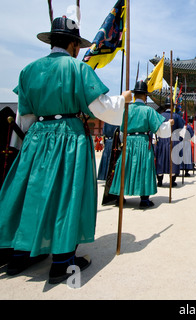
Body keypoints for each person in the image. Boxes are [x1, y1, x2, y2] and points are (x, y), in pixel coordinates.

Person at [0, 16, 132, 284]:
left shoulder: (28, 71)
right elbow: (102, 108)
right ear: (73, 45)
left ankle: (19, 254)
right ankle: (61, 261)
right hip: (69, 138)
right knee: (66, 195)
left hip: (36, 138)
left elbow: (23, 118)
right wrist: (124, 100)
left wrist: (21, 150)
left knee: (31, 194)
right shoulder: (77, 70)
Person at [109, 81, 173, 208]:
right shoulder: (148, 111)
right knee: (144, 167)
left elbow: (120, 130)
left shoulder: (125, 109)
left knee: (125, 166)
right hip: (143, 141)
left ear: (134, 95)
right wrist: (169, 124)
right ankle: (144, 199)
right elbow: (160, 129)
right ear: (145, 96)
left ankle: (119, 197)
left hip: (128, 141)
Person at [155, 97, 185, 187]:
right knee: (173, 161)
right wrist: (180, 139)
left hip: (161, 140)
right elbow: (182, 130)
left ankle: (160, 181)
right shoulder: (176, 116)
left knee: (161, 160)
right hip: (173, 140)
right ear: (172, 107)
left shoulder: (159, 116)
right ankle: (172, 181)